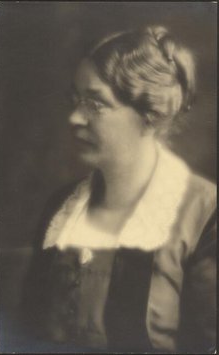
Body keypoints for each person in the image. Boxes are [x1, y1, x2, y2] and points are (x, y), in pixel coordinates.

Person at [22, 25, 216, 353]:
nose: (74, 117)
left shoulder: (207, 215)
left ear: (151, 114)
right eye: (75, 100)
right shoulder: (63, 208)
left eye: (95, 104)